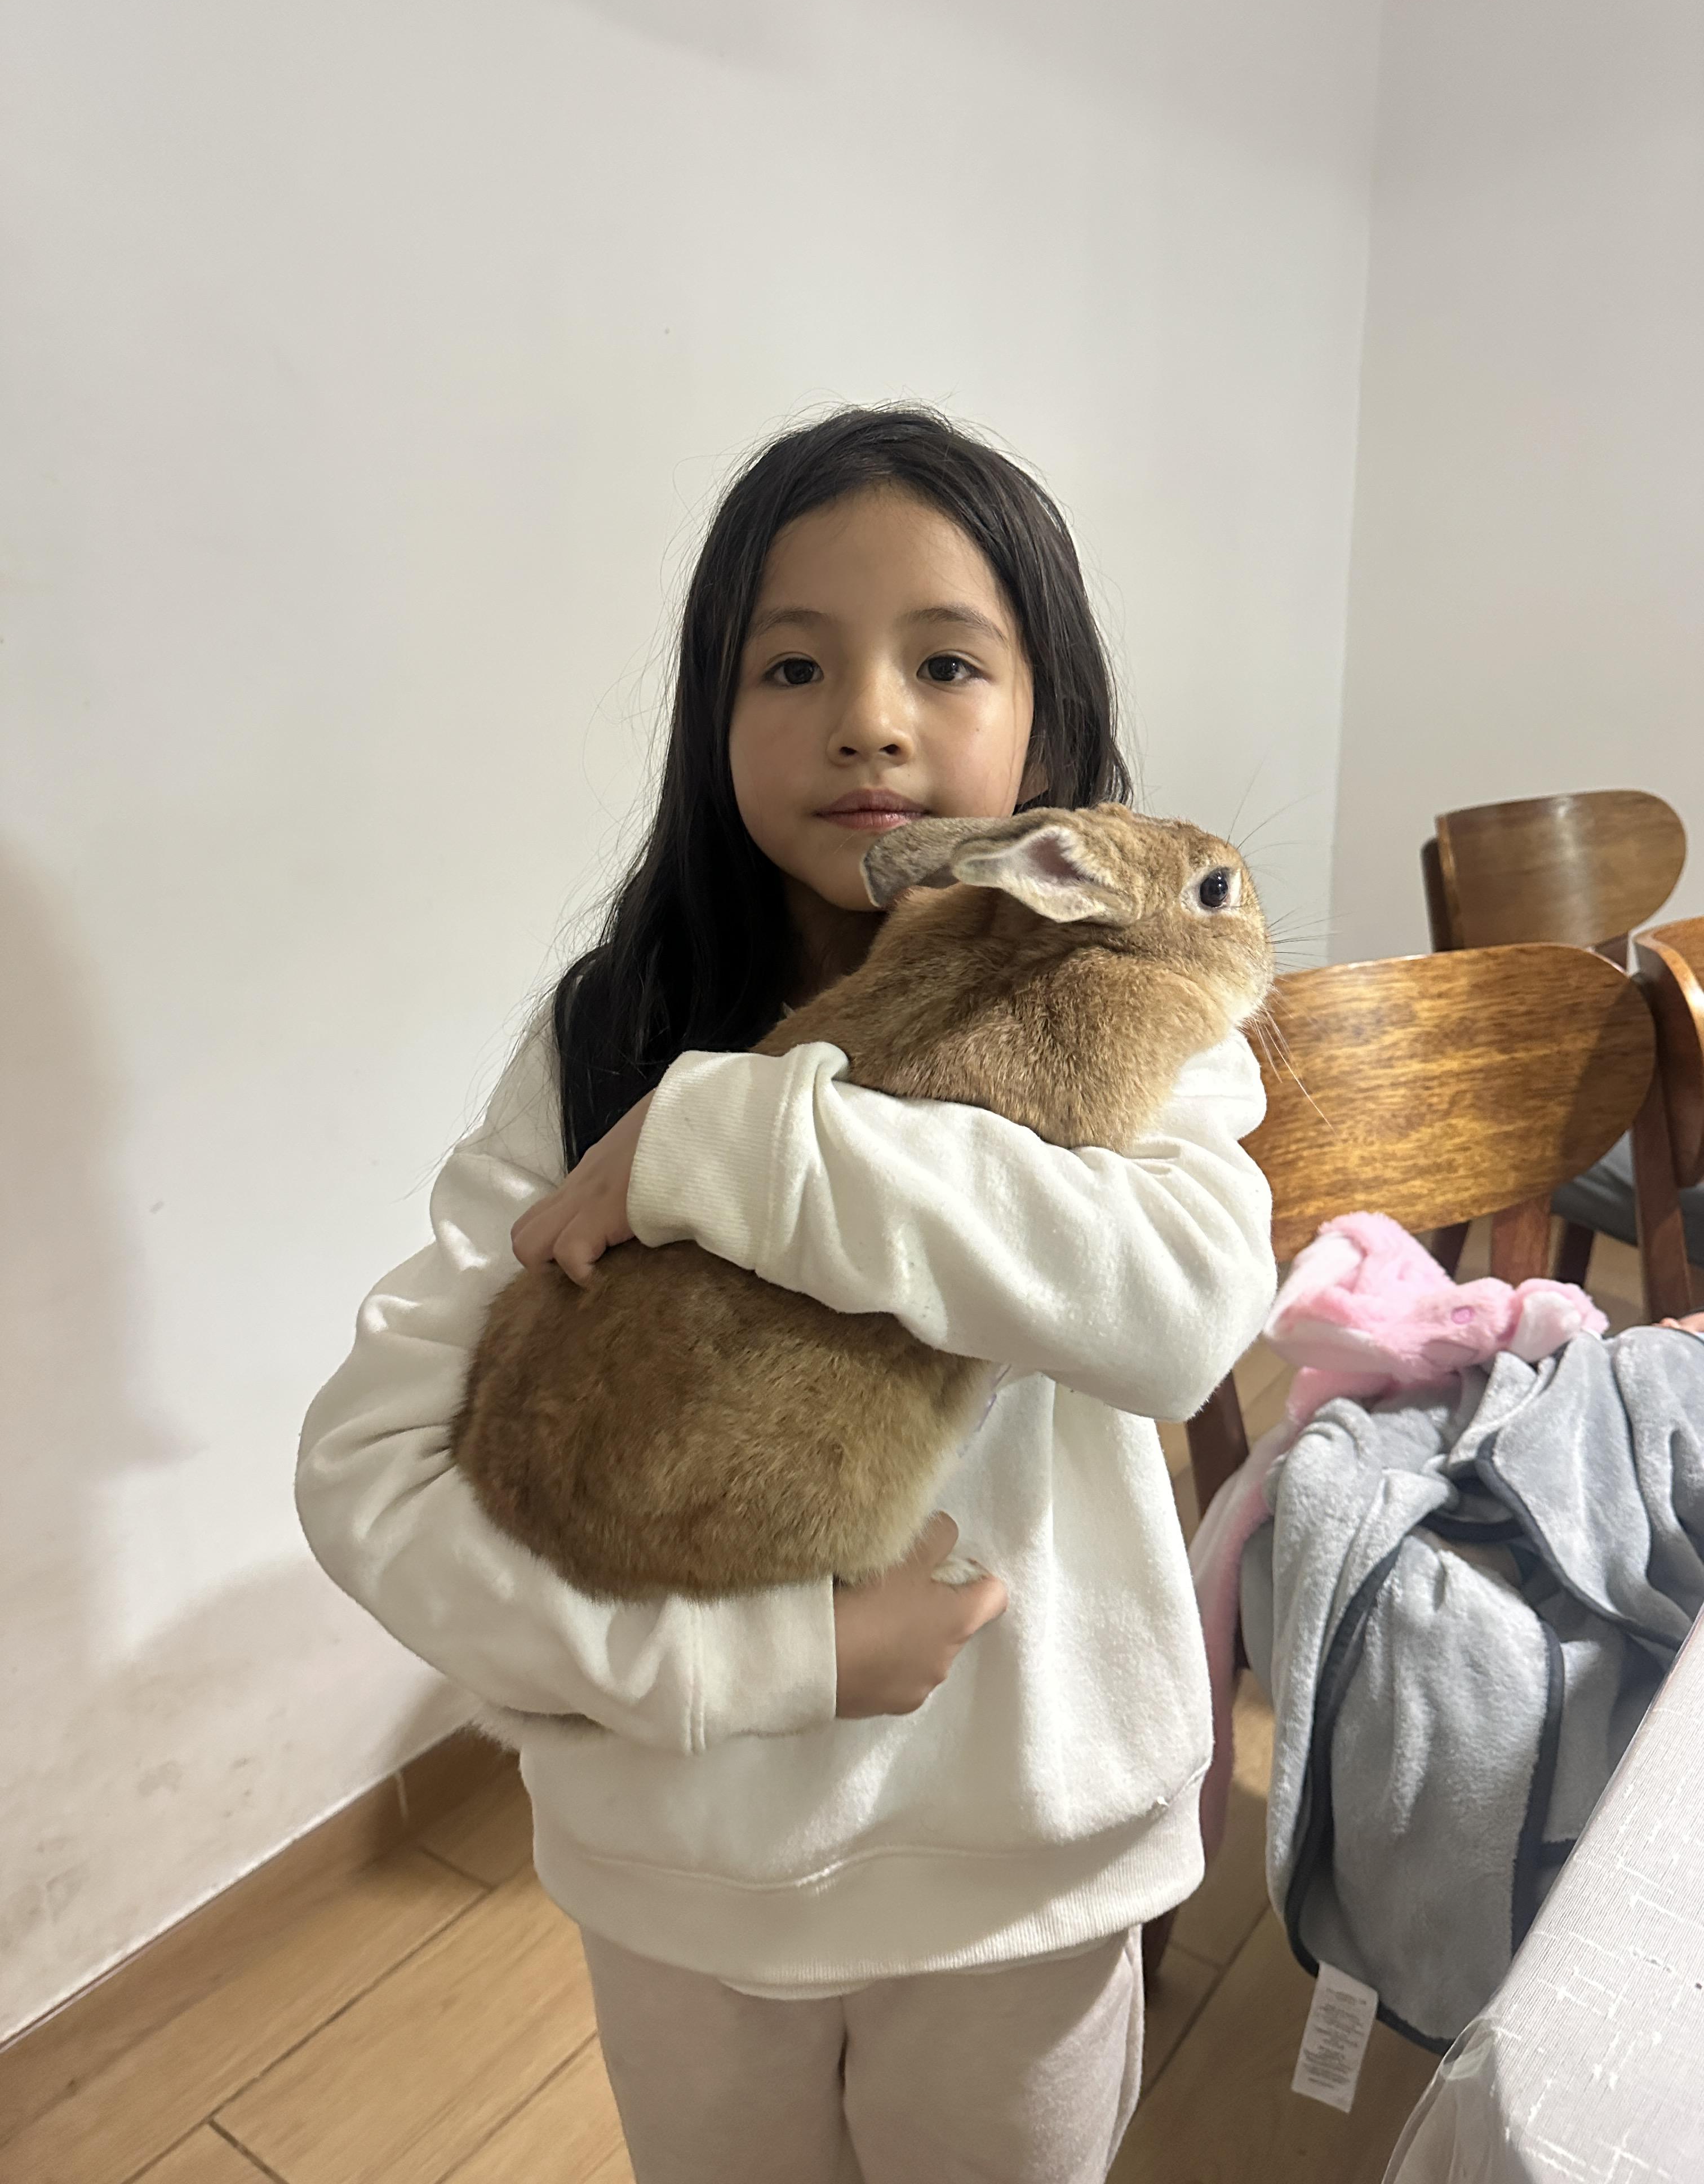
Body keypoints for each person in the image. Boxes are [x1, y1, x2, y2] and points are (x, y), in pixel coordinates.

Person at [296, 406, 1277, 2183]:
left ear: (1052, 725)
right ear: (712, 711)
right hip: (685, 1883)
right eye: (794, 664)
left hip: (1026, 1878)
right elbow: (368, 1474)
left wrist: (738, 1142)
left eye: (947, 662)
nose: (869, 720)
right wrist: (773, 1661)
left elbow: (1184, 1313)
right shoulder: (610, 1029)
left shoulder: (1143, 1012)